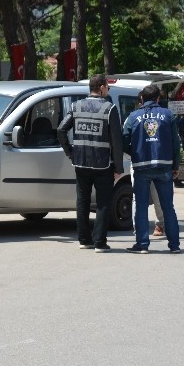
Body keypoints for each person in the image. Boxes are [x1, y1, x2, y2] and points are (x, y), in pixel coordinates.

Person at [58, 74, 124, 253]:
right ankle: (100, 242)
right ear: (102, 87)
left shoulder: (76, 106)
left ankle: (84, 239)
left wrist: (71, 153)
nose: (108, 90)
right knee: (103, 203)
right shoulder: (109, 109)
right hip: (103, 164)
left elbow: (61, 130)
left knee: (82, 201)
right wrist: (119, 166)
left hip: (81, 163)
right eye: (107, 88)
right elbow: (116, 140)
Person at [122, 83, 181, 254]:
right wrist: (175, 165)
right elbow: (176, 144)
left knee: (140, 206)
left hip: (141, 166)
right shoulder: (168, 115)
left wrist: (134, 153)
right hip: (164, 166)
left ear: (141, 98)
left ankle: (142, 244)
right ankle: (174, 245)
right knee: (168, 206)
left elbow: (123, 141)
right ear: (158, 98)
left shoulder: (133, 117)